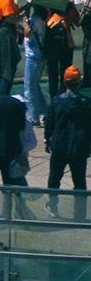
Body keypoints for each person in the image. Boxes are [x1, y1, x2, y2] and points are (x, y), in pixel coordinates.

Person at [42, 65, 91, 195]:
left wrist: (47, 139)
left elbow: (49, 123)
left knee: (54, 179)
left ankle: (52, 203)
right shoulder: (87, 103)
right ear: (79, 83)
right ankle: (80, 206)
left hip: (59, 145)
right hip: (79, 146)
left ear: (64, 82)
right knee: (79, 181)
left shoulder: (56, 102)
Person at [40, 1, 79, 99]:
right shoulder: (69, 6)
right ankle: (64, 97)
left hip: (51, 43)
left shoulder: (47, 5)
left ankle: (53, 99)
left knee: (52, 75)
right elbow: (78, 22)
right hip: (66, 42)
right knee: (64, 73)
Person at [0, 0, 23, 99]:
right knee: (5, 73)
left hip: (5, 36)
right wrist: (21, 16)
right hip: (5, 38)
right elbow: (8, 18)